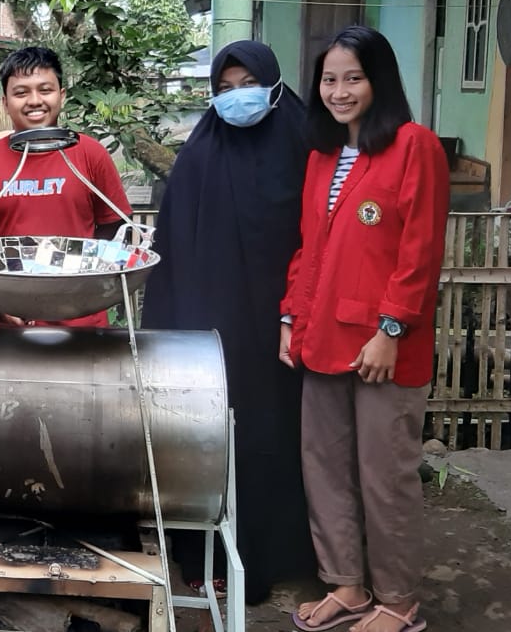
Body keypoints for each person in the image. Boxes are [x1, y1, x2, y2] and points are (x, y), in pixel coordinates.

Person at [282, 26, 448, 632]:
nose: (340, 90)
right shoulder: (321, 158)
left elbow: (420, 252)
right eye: (329, 79)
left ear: (379, 79)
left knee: (385, 477)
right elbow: (309, 249)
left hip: (384, 347)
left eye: (353, 77)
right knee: (324, 467)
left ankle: (398, 601)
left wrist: (391, 329)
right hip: (321, 338)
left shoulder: (414, 145)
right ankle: (347, 586)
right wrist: (291, 318)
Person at [142, 40, 314, 603]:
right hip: (212, 331)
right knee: (210, 436)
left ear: (274, 83)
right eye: (224, 88)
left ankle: (283, 553)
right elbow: (174, 247)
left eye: (248, 84)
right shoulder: (201, 152)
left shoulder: (305, 143)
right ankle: (205, 553)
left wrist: (297, 312)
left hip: (283, 331)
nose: (237, 98)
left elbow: (320, 238)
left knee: (277, 435)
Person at [0, 46, 133, 326]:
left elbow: (114, 230)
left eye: (45, 90)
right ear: (5, 102)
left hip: (80, 322)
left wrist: (84, 289)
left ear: (62, 95)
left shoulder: (90, 154)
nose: (34, 101)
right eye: (21, 93)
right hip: (4, 323)